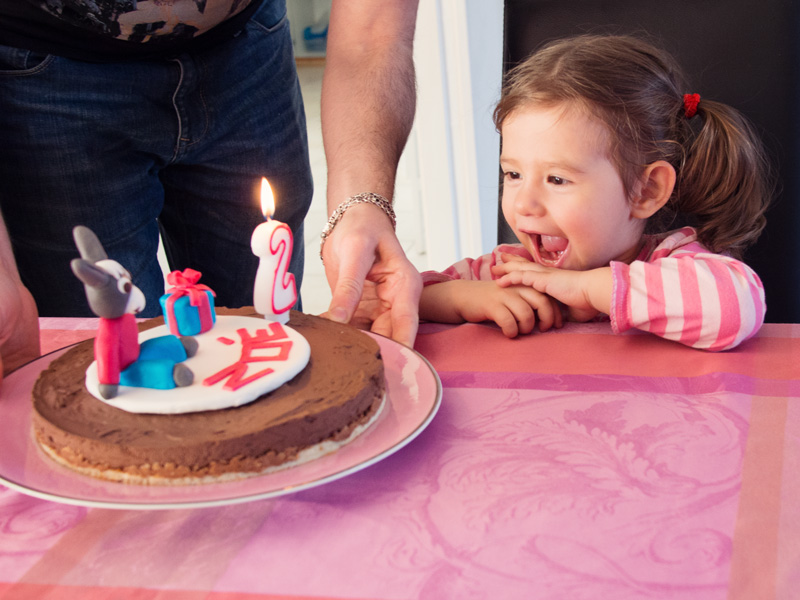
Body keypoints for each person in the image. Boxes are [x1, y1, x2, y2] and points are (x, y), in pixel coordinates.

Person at [0, 0, 422, 382]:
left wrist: (361, 205)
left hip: (248, 43)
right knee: (103, 355)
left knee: (267, 344)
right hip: (41, 70)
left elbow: (373, 33)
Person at [419, 34, 772, 351]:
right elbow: (387, 299)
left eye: (557, 179)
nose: (523, 203)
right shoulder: (506, 271)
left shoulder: (674, 262)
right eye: (513, 174)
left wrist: (587, 288)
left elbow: (736, 307)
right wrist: (457, 297)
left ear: (646, 190)